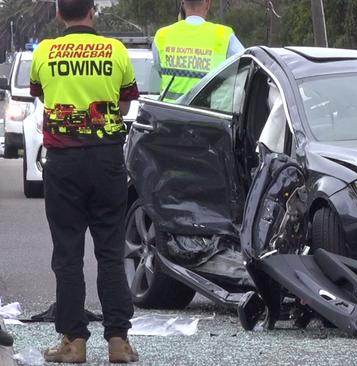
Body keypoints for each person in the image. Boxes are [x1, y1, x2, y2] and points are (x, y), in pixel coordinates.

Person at [29, 0, 139, 363]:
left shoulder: (45, 52)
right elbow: (124, 106)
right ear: (93, 11)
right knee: (110, 250)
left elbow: (42, 95)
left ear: (59, 14)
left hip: (63, 162)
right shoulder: (115, 50)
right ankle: (118, 341)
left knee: (67, 254)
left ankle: (74, 341)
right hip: (106, 160)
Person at [153, 0, 244, 101]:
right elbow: (245, 69)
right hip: (206, 114)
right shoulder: (224, 36)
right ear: (208, 3)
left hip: (166, 114)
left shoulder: (162, 35)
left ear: (182, 2)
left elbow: (160, 71)